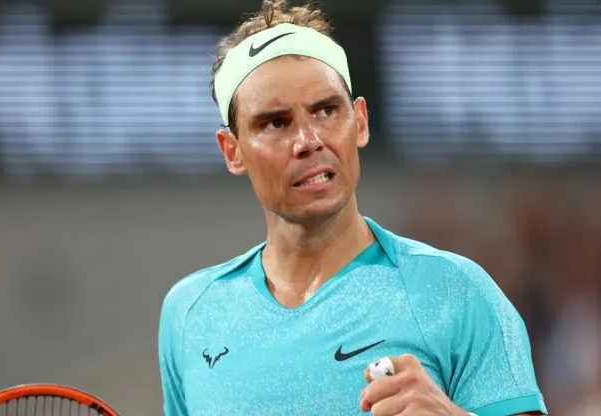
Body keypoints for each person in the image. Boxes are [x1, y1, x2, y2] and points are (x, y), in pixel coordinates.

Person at [158, 1, 547, 415]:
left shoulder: (456, 291)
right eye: (276, 122)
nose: (308, 140)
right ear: (232, 151)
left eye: (326, 110)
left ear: (359, 122)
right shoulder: (189, 313)